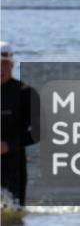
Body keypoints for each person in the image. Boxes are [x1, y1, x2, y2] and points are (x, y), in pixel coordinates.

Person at [1, 42, 39, 207]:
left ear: (12, 65)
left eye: (4, 64)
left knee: (13, 213)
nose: (1, 69)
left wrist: (9, 145)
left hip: (14, 167)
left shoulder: (25, 92)